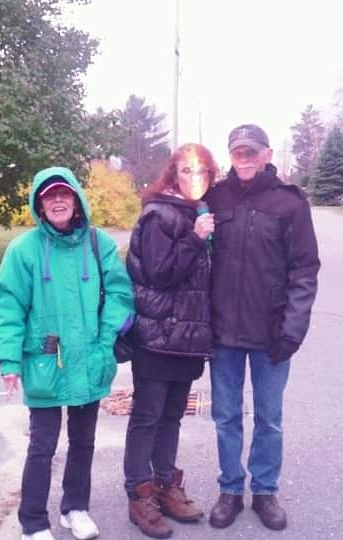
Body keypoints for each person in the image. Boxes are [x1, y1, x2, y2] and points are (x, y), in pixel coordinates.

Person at [0, 166, 135, 540]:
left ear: (76, 200)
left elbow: (120, 294)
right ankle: (33, 522)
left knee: (84, 441)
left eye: (64, 194)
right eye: (49, 196)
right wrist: (9, 361)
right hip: (44, 361)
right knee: (42, 445)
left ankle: (75, 508)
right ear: (40, 205)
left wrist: (105, 340)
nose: (57, 200)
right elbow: (7, 307)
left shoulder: (99, 244)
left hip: (90, 359)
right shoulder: (23, 250)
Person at [204, 124, 320, 531]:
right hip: (223, 333)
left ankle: (265, 491)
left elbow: (305, 270)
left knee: (269, 419)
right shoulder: (215, 197)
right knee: (226, 417)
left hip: (271, 334)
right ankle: (230, 490)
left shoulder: (290, 203)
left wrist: (292, 330)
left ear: (267, 154)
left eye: (252, 151)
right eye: (238, 152)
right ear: (230, 156)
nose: (245, 158)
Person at [123, 143, 217, 539]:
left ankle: (164, 484)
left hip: (188, 338)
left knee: (172, 416)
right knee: (147, 417)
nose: (195, 177)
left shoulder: (198, 212)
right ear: (173, 175)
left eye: (202, 171)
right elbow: (160, 274)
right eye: (186, 170)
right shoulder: (159, 214)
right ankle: (139, 494)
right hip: (157, 336)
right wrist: (195, 239)